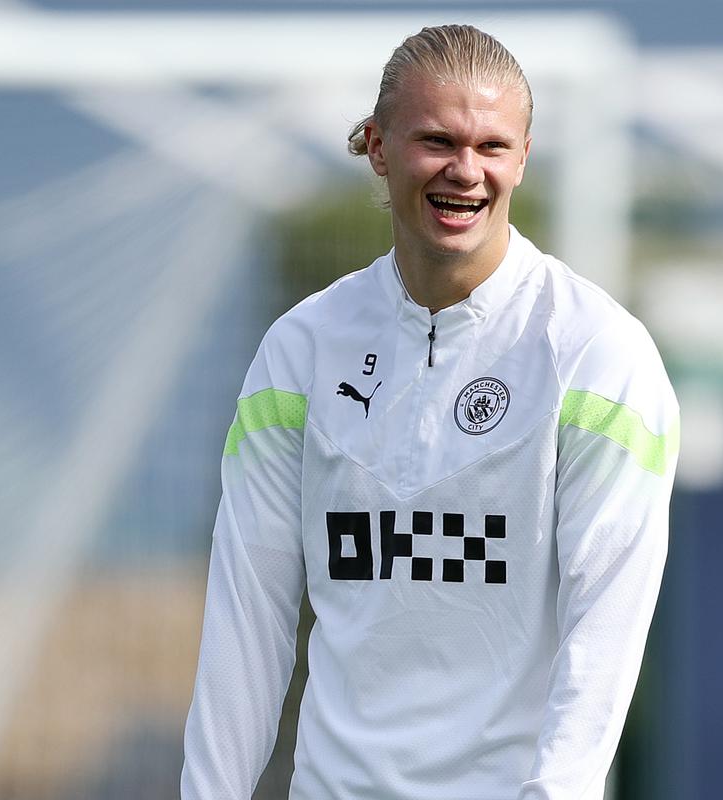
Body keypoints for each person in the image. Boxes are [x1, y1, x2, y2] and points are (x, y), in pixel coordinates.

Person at [181, 24, 679, 800]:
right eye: (438, 140)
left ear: (523, 157)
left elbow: (605, 635)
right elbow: (247, 619)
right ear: (378, 147)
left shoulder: (597, 353)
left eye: (492, 146)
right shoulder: (301, 351)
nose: (466, 171)